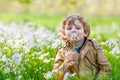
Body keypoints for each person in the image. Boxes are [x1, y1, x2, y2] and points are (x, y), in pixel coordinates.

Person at [53, 14, 111, 80]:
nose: (73, 30)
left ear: (85, 32)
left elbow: (106, 68)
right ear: (64, 35)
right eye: (69, 28)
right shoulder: (62, 52)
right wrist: (65, 64)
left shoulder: (95, 47)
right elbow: (56, 76)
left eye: (78, 28)